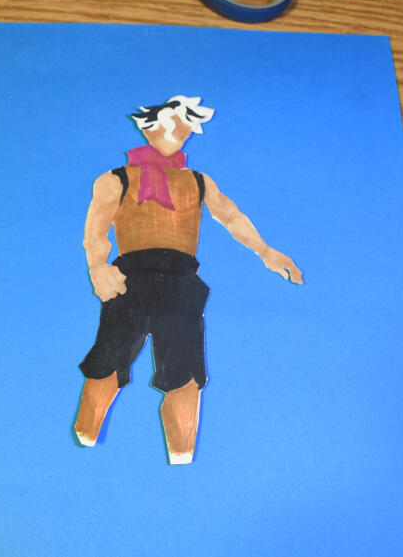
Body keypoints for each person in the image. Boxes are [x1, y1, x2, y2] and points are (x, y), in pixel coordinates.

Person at [74, 95, 302, 464]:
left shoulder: (198, 181)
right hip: (128, 281)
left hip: (181, 284)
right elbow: (95, 230)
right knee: (106, 367)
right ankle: (84, 440)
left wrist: (266, 251)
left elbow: (231, 216)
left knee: (186, 377)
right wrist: (97, 267)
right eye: (171, 123)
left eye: (184, 127)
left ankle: (182, 458)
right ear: (148, 126)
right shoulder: (115, 179)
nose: (176, 132)